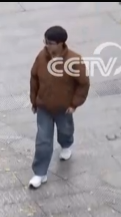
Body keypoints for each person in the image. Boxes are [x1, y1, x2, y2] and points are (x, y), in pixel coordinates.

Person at [28, 25, 90, 189]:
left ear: (61, 43)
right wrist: (34, 101)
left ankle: (66, 144)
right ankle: (40, 173)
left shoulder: (74, 60)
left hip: (64, 108)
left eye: (50, 43)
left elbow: (83, 84)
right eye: (46, 42)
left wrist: (74, 104)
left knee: (65, 130)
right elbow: (34, 79)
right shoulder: (41, 57)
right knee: (43, 140)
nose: (47, 45)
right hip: (44, 107)